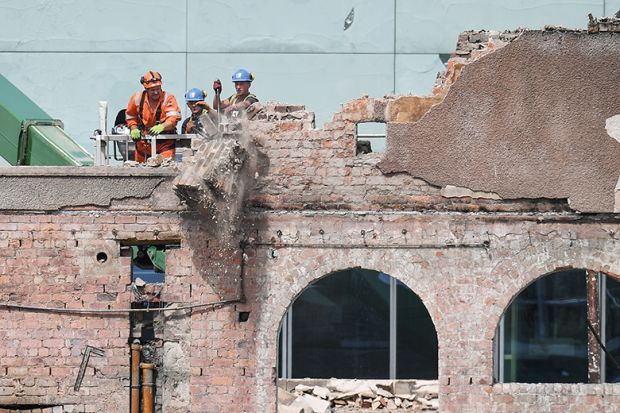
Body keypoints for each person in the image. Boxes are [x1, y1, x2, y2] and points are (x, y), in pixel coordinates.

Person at [125, 71, 181, 162]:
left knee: (165, 170)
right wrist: (133, 128)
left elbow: (173, 119)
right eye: (152, 90)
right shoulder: (137, 98)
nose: (156, 92)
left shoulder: (168, 98)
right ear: (146, 89)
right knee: (140, 172)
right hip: (143, 145)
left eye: (158, 88)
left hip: (165, 144)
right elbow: (131, 117)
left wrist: (162, 126)